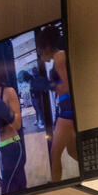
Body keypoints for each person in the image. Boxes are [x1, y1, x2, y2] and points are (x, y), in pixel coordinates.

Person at [36, 24, 77, 180]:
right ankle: (95, 166)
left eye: (40, 52)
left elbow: (67, 87)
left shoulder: (59, 57)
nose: (40, 56)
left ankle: (55, 185)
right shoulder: (58, 58)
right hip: (66, 110)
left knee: (54, 154)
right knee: (72, 151)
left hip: (68, 112)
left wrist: (48, 85)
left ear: (46, 48)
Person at [0, 58, 27, 195]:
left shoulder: (9, 92)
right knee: (18, 187)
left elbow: (18, 124)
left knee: (8, 190)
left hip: (14, 147)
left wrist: (7, 113)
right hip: (2, 149)